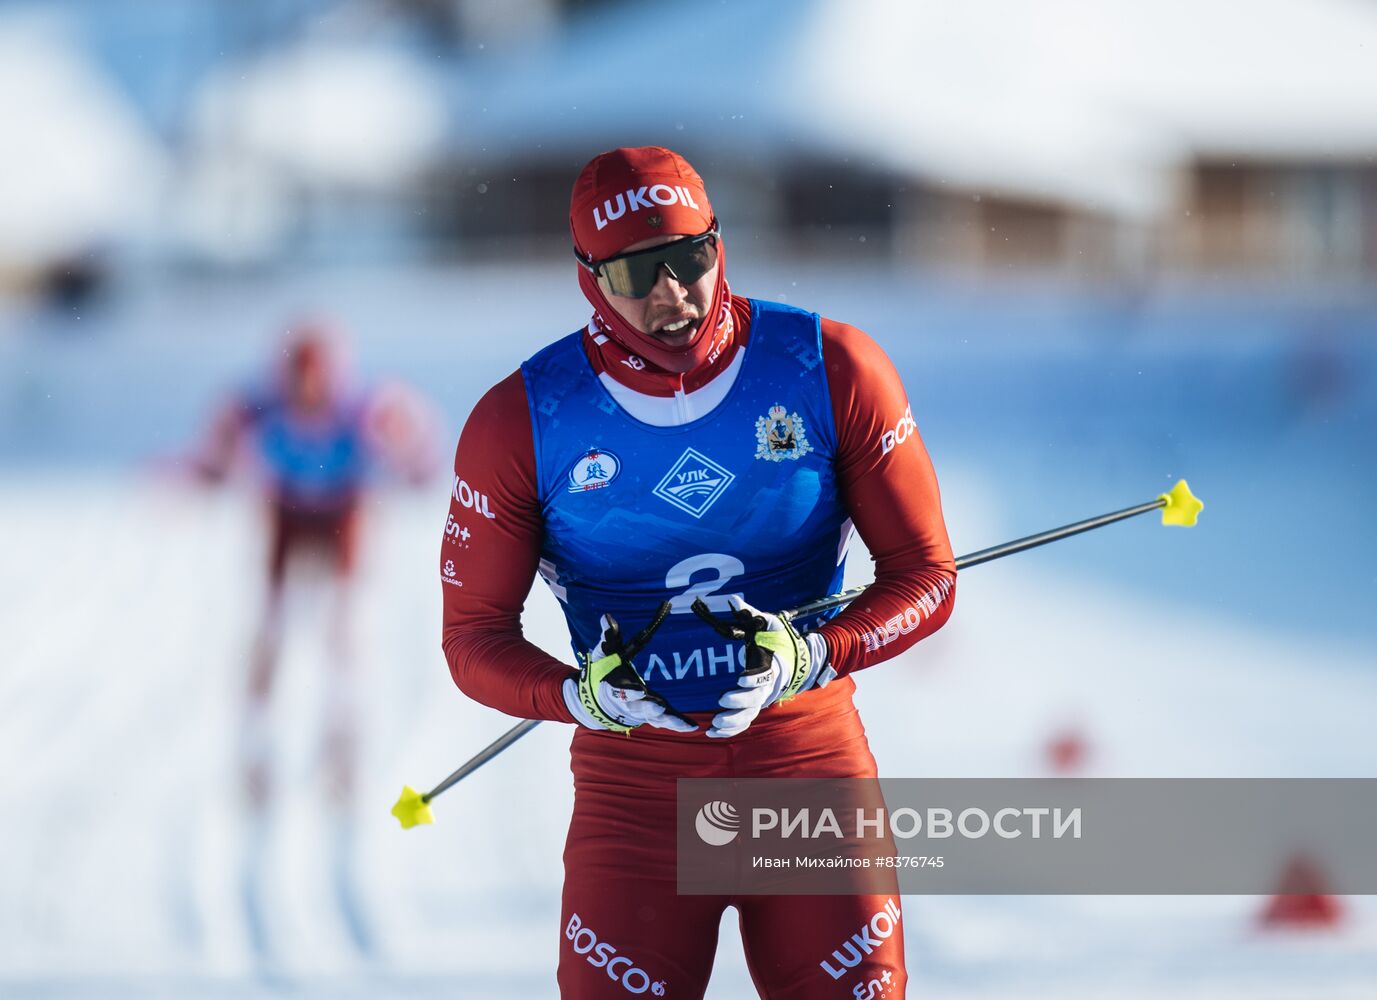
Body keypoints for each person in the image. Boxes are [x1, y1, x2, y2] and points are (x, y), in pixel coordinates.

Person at [440, 147, 956, 998]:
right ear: (586, 278)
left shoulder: (830, 367)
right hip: (636, 794)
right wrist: (580, 696)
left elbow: (926, 575)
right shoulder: (524, 419)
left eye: (690, 257)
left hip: (805, 769)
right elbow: (472, 639)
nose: (671, 294)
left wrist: (813, 652)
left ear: (719, 243)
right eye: (636, 272)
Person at [195, 320, 434, 806]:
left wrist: (416, 467)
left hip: (344, 515)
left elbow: (411, 434)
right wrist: (206, 471)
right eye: (298, 377)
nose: (307, 390)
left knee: (344, 626)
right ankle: (256, 736)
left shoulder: (360, 408)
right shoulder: (260, 407)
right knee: (272, 623)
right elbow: (219, 441)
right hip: (287, 514)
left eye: (316, 378)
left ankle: (344, 737)